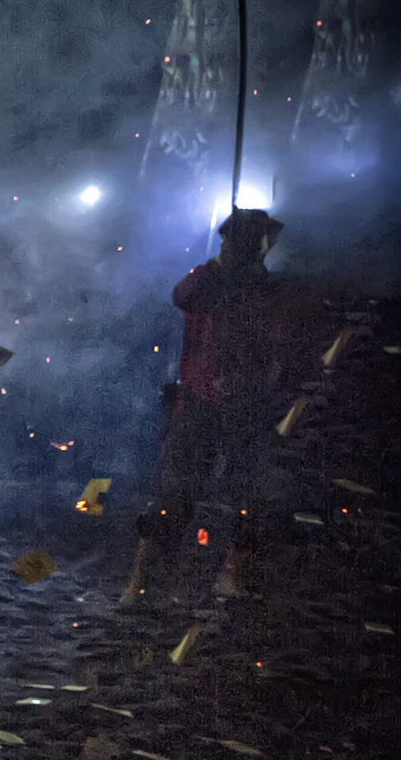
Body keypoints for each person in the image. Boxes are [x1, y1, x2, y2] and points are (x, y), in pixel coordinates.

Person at [121, 207, 296, 605]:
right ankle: (140, 582)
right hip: (200, 402)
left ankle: (230, 574)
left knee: (250, 495)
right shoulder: (208, 279)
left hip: (245, 404)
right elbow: (181, 296)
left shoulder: (260, 286)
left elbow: (270, 337)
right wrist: (221, 270)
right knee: (174, 496)